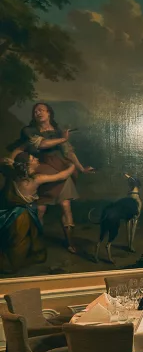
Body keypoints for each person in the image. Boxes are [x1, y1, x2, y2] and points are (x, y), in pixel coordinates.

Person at [9, 103, 94, 253]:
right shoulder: (29, 131)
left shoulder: (58, 131)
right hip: (42, 169)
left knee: (66, 206)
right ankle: (36, 243)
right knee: (41, 209)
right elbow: (41, 144)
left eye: (41, 110)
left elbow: (68, 152)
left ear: (49, 113)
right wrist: (62, 139)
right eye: (35, 111)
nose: (38, 113)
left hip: (62, 168)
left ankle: (70, 242)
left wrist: (81, 168)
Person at [0, 152, 76, 273]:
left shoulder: (13, 175)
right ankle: (12, 263)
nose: (36, 159)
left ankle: (25, 257)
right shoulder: (36, 179)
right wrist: (72, 166)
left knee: (29, 238)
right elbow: (62, 176)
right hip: (22, 216)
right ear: (27, 164)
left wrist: (11, 161)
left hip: (17, 214)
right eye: (33, 159)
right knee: (20, 242)